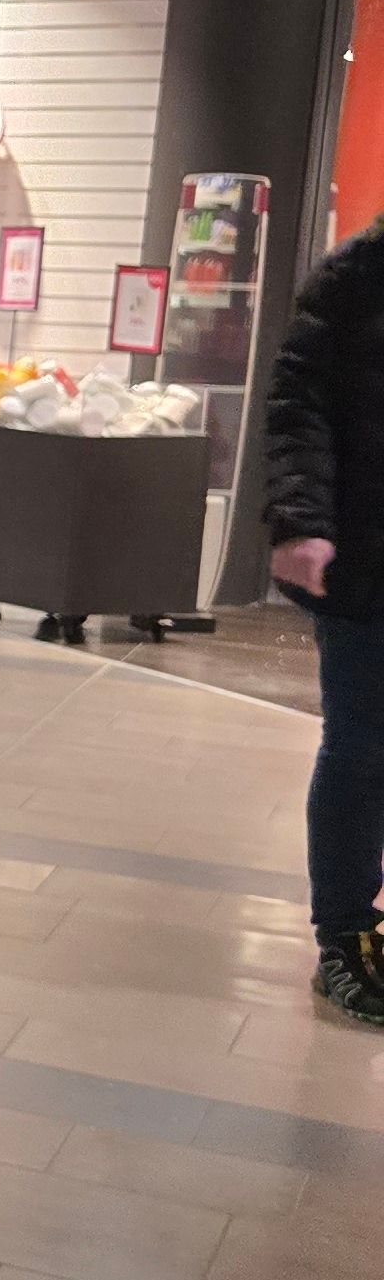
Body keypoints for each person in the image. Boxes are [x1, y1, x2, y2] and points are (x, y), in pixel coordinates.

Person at [265, 218, 384, 1024]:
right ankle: (345, 935)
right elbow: (296, 408)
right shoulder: (354, 283)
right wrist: (301, 522)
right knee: (362, 750)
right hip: (370, 564)